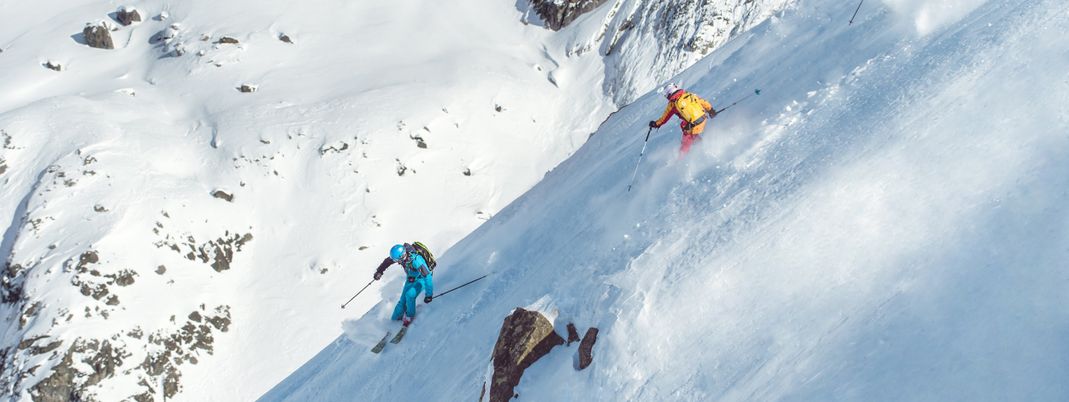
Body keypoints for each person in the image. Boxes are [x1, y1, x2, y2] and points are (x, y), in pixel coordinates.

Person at [373, 244, 434, 326]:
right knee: (402, 302)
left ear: (402, 256)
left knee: (410, 295)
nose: (397, 262)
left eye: (397, 260)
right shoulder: (400, 256)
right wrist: (379, 271)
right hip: (411, 278)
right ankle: (393, 322)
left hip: (422, 279)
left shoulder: (416, 260)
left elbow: (427, 276)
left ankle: (409, 316)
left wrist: (429, 295)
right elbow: (387, 261)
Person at [649, 83, 717, 156]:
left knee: (686, 137)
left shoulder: (673, 104)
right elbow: (703, 102)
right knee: (684, 124)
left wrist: (656, 124)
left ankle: (682, 157)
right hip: (703, 118)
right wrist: (711, 110)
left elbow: (664, 119)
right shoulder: (689, 94)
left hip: (694, 125)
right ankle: (699, 143)